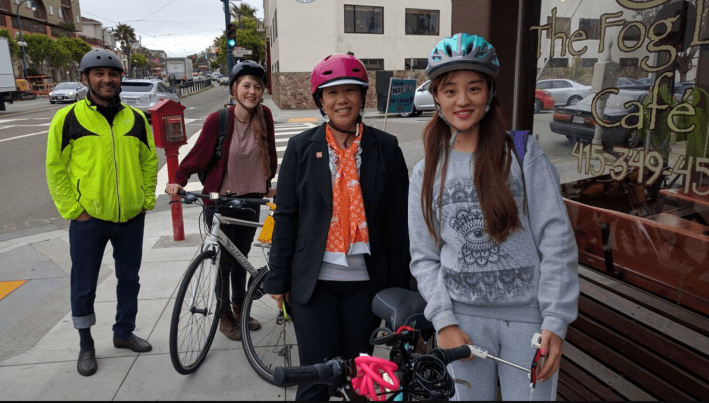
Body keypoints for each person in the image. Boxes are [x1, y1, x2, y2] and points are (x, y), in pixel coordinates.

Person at [408, 34, 580, 401]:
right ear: (436, 97)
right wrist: (444, 322)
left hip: (530, 320)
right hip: (463, 323)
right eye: (450, 90)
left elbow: (556, 238)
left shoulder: (521, 153)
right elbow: (424, 256)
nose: (463, 100)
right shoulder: (427, 172)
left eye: (474, 87)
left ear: (489, 92)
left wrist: (556, 321)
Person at [264, 53, 411, 401]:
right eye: (331, 93)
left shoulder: (386, 148)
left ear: (363, 96)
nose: (341, 100)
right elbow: (285, 216)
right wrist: (277, 278)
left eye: (350, 91)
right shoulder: (301, 148)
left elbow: (399, 223)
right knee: (315, 380)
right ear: (321, 101)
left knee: (361, 377)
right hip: (313, 286)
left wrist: (402, 288)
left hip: (367, 284)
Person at [46, 48, 158, 377]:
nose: (107, 79)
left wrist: (144, 199)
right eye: (99, 74)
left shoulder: (136, 119)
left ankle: (123, 332)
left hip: (130, 219)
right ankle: (86, 344)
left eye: (113, 74)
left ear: (121, 77)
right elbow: (56, 169)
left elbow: (149, 161)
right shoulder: (67, 119)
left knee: (129, 280)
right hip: (88, 221)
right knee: (84, 284)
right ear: (86, 79)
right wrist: (74, 210)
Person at [165, 60, 277, 341]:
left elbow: (270, 153)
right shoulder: (220, 119)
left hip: (251, 198)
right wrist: (178, 179)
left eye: (257, 86)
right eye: (246, 85)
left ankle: (241, 308)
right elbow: (198, 154)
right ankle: (224, 314)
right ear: (235, 89)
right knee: (224, 261)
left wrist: (267, 185)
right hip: (223, 199)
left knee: (241, 256)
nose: (252, 91)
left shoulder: (265, 116)